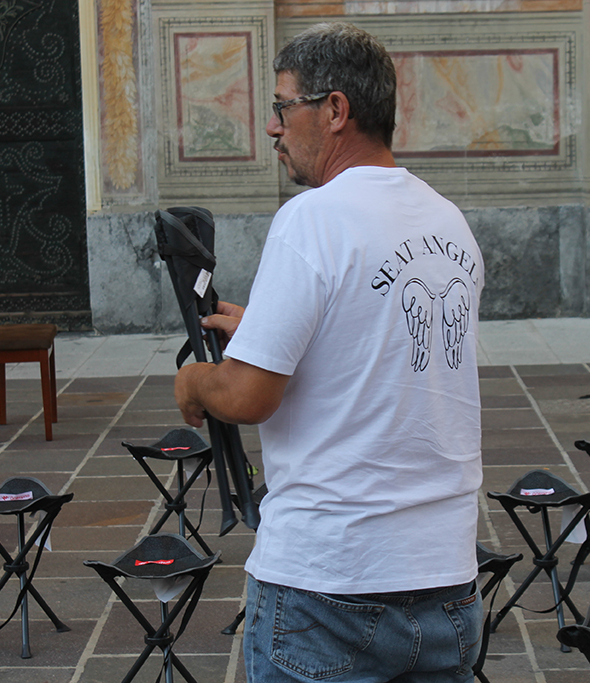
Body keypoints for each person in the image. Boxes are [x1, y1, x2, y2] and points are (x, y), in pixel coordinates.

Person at [174, 22, 485, 682]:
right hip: (446, 580)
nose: (273, 127)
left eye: (284, 107)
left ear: (335, 109)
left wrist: (196, 381)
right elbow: (378, 340)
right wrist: (264, 329)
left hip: (330, 582)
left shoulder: (313, 217)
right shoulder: (446, 219)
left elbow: (247, 396)